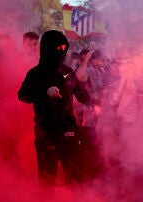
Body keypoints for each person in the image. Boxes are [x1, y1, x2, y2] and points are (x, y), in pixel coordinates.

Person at [18, 30, 96, 186]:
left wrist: (94, 104)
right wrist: (43, 92)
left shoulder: (67, 72)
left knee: (75, 177)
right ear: (48, 48)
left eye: (64, 48)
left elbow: (81, 93)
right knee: (47, 180)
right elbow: (23, 96)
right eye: (58, 48)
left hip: (69, 132)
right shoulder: (35, 74)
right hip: (46, 133)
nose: (62, 52)